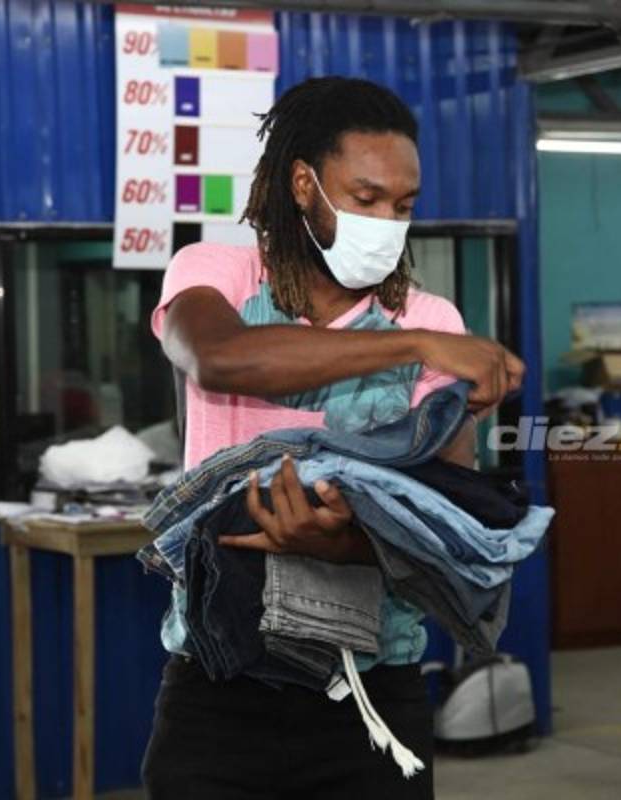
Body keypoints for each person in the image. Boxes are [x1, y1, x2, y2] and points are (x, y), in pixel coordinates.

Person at [141, 76, 524, 800]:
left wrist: (344, 544)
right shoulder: (220, 272)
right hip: (220, 692)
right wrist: (411, 347)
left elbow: (450, 528)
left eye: (404, 206)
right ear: (302, 184)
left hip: (374, 700)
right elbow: (221, 356)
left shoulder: (434, 320)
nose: (387, 221)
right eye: (366, 198)